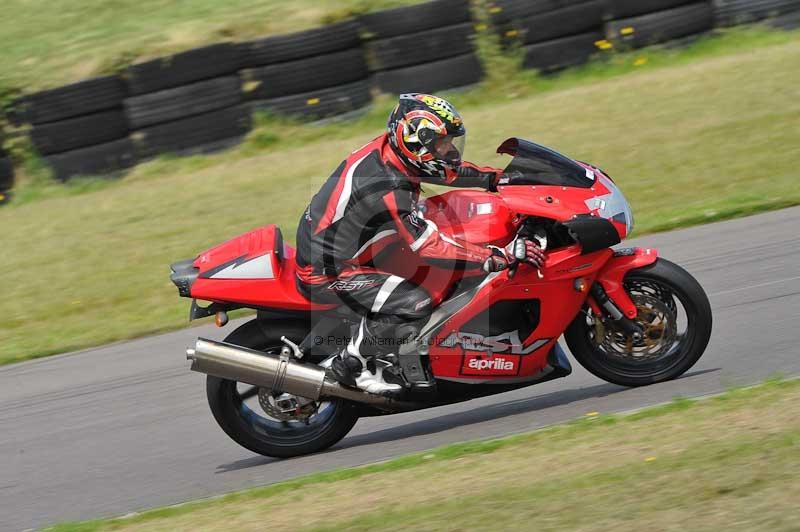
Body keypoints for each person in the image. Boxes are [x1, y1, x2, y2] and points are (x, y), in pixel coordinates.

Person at [295, 93, 544, 395]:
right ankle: (351, 366)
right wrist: (495, 256)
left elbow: (448, 171)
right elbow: (430, 247)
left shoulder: (394, 152)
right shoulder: (388, 187)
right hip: (330, 272)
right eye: (442, 144)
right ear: (416, 144)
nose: (450, 150)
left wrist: (501, 179)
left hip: (352, 247)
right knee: (416, 300)